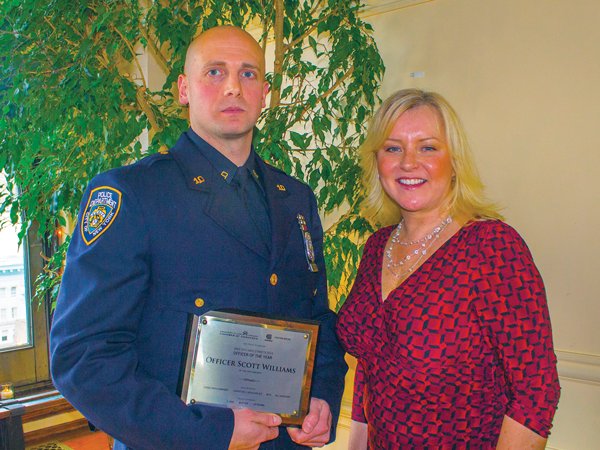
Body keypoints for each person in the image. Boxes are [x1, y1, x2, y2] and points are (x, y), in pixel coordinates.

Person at [50, 25, 347, 450]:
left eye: (247, 74)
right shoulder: (133, 194)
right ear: (184, 90)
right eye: (214, 72)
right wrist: (210, 432)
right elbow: (83, 358)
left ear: (265, 92)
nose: (232, 86)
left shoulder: (295, 198)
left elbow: (317, 318)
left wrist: (322, 398)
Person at [335, 89, 560, 449]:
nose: (409, 162)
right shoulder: (376, 247)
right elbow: (370, 369)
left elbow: (537, 392)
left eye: (428, 147)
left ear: (454, 160)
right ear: (377, 162)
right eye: (393, 148)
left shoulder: (492, 248)